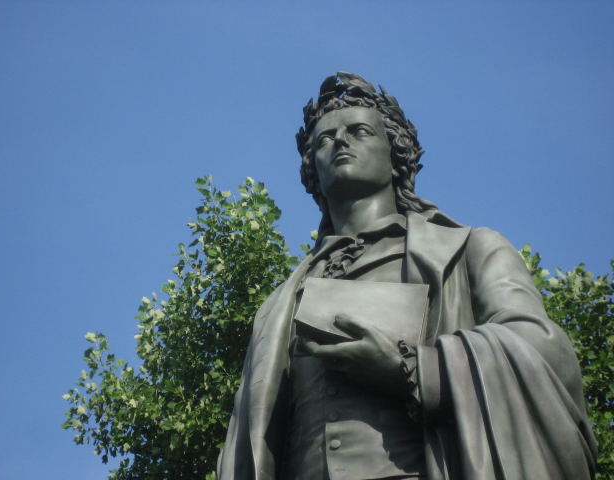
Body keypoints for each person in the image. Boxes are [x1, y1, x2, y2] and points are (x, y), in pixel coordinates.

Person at [217, 72, 597, 480]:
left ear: (396, 153)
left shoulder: (469, 250)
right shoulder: (278, 305)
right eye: (325, 139)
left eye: (359, 131)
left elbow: (544, 353)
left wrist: (417, 370)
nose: (340, 141)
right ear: (313, 169)